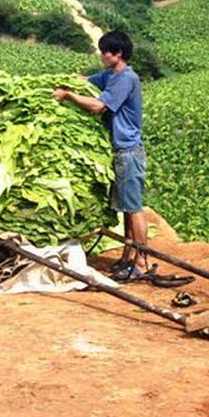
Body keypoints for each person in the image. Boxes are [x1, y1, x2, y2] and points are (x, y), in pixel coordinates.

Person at [53, 30, 149, 281]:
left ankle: (142, 261)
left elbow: (98, 105)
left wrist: (69, 96)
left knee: (135, 207)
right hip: (119, 150)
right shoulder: (110, 75)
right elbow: (84, 79)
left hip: (129, 150)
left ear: (119, 53)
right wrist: (63, 81)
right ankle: (129, 258)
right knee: (126, 209)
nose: (103, 55)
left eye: (107, 51)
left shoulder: (126, 78)